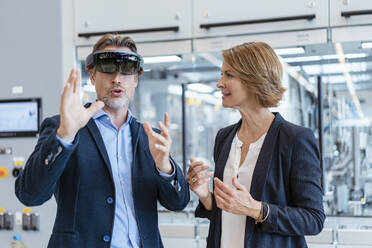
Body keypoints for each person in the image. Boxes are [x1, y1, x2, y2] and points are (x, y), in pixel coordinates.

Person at [15, 34, 190, 248]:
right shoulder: (64, 127)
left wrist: (165, 167)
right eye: (108, 68)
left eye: (126, 70)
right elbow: (29, 195)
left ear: (136, 78)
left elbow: (178, 202)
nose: (117, 78)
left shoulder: (150, 137)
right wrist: (64, 136)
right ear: (92, 75)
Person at [187, 42, 325, 247]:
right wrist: (205, 195)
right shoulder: (224, 137)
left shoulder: (295, 139)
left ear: (254, 80)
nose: (219, 83)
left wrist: (256, 210)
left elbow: (313, 219)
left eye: (229, 75)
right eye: (221, 74)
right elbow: (227, 214)